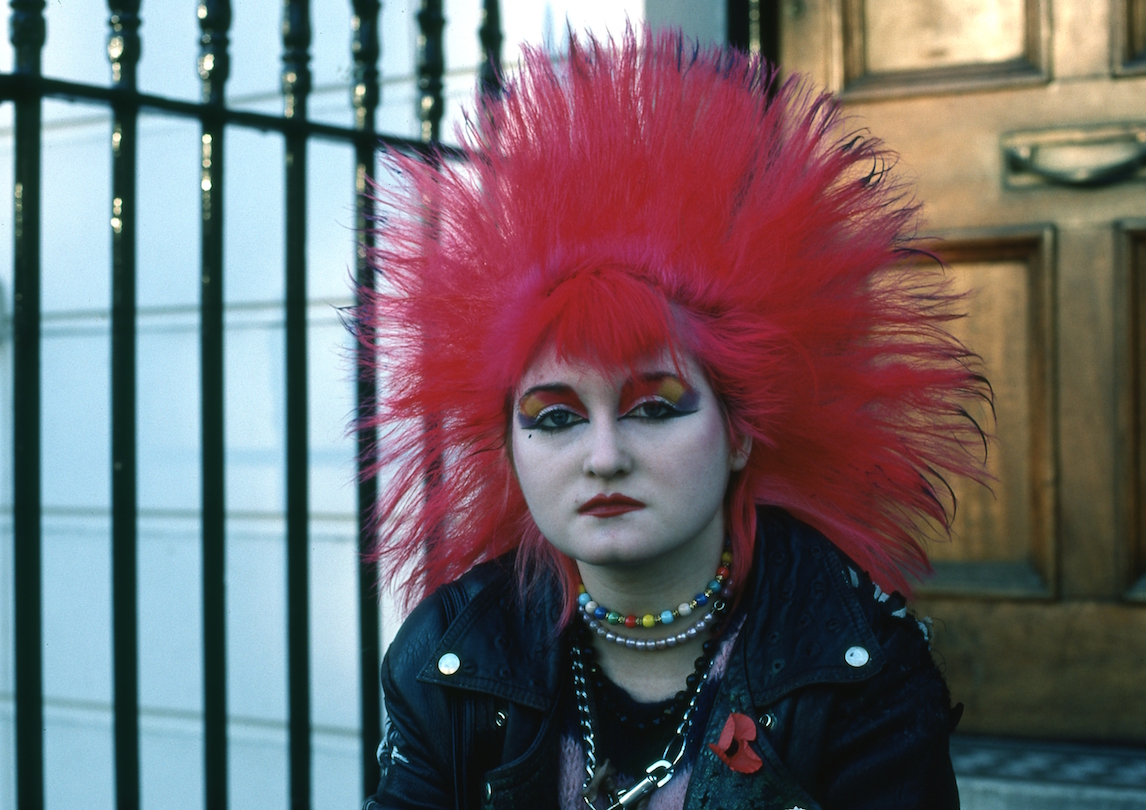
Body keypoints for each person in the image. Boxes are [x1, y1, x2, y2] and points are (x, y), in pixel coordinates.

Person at [360, 27, 989, 810]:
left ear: (741, 432)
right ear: (510, 448)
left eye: (653, 409)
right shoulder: (452, 655)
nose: (604, 456)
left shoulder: (854, 664)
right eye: (554, 419)